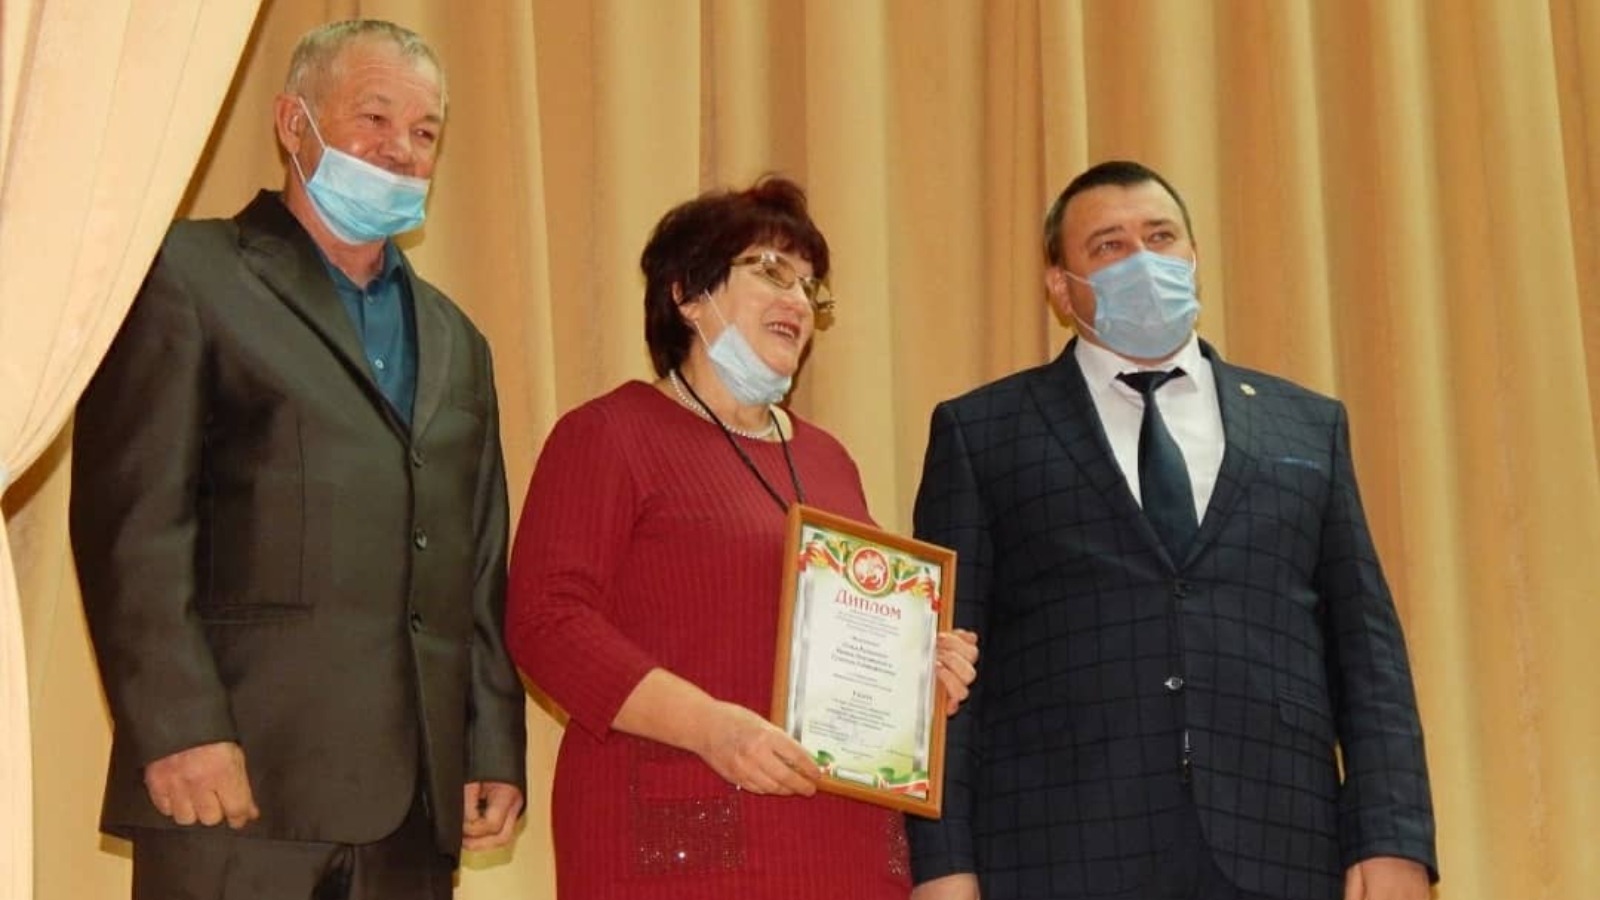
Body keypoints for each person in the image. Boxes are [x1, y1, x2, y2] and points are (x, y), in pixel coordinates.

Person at [69, 20, 526, 900]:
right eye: (374, 118)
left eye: (425, 132)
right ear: (292, 122)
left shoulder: (458, 340)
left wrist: (490, 744)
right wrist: (176, 726)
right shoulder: (184, 273)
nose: (400, 150)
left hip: (414, 812)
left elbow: (474, 562)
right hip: (234, 790)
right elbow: (133, 524)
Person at [904, 160, 1437, 900]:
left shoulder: (1308, 425)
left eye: (1160, 238)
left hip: (1282, 846)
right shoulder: (981, 431)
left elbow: (1367, 650)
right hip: (1058, 852)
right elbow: (942, 665)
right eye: (1109, 246)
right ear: (1060, 285)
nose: (1143, 261)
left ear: (1193, 256)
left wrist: (1394, 839)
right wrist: (942, 866)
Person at [504, 176, 980, 899]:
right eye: (771, 271)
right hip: (678, 850)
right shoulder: (609, 434)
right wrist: (710, 728)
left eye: (810, 286)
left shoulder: (828, 458)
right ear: (687, 294)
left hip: (846, 854)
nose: (799, 300)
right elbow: (546, 622)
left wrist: (922, 671)